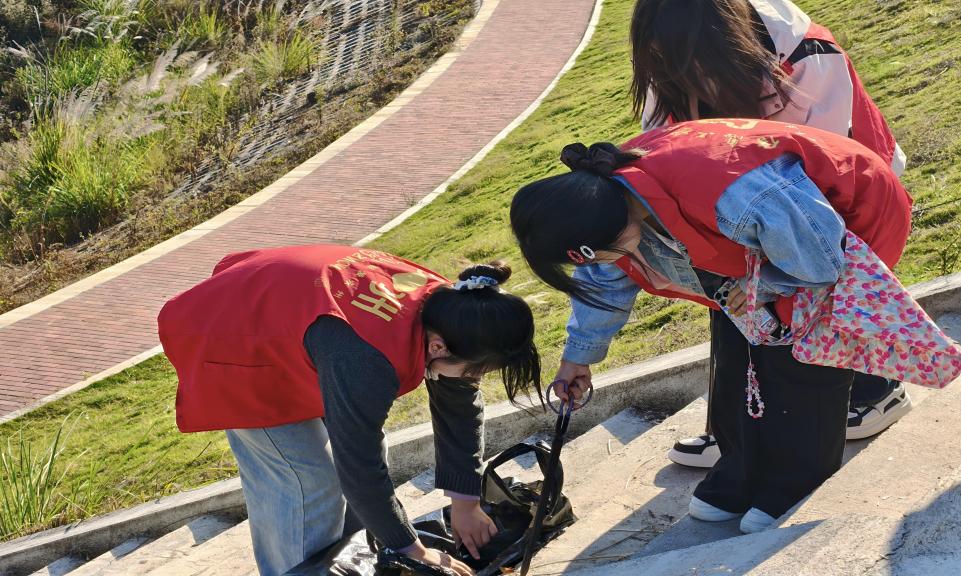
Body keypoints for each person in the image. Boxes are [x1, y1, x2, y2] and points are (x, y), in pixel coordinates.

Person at [509, 119, 923, 533]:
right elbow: (604, 281)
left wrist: (763, 285)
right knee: (733, 355)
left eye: (595, 255)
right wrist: (577, 358)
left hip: (848, 225)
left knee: (797, 354)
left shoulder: (731, 193)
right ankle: (741, 469)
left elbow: (822, 258)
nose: (600, 265)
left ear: (606, 233)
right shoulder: (605, 206)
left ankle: (798, 479)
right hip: (765, 250)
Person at [629, 0, 910, 467]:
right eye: (660, 60)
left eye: (687, 62)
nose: (676, 75)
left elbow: (817, 177)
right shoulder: (670, 64)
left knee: (822, 282)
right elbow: (662, 150)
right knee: (732, 293)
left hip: (843, 190)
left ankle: (874, 391)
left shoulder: (808, 54)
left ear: (722, 39)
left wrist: (766, 274)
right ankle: (740, 429)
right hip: (749, 194)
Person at [158, 245, 541, 576]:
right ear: (438, 347)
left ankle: (356, 562)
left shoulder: (456, 311)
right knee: (307, 482)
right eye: (475, 371)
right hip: (237, 337)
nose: (475, 380)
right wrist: (413, 550)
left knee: (369, 460)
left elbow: (458, 403)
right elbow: (358, 467)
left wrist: (466, 503)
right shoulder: (367, 357)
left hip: (298, 315)